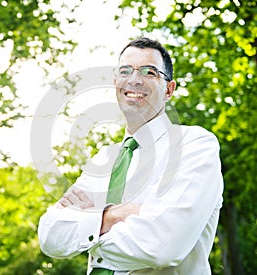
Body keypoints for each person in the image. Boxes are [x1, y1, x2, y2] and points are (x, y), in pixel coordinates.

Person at [38, 37, 224, 274]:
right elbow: (50, 235)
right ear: (116, 82)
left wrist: (87, 230)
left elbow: (161, 246)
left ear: (169, 89)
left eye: (149, 72)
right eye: (125, 71)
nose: (134, 80)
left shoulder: (195, 145)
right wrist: (114, 216)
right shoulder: (102, 158)